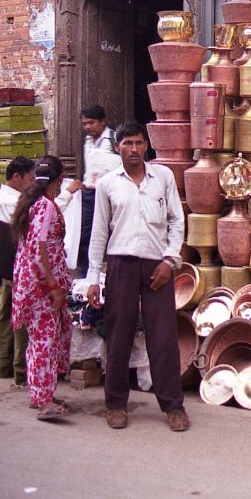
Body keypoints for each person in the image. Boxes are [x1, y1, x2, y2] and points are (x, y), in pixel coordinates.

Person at [85, 121, 188, 432]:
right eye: (127, 143)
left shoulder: (163, 177)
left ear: (147, 146)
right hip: (121, 266)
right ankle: (115, 404)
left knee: (163, 338)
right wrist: (93, 276)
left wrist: (169, 260)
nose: (133, 149)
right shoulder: (108, 184)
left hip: (158, 266)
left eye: (139, 143)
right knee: (119, 336)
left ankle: (173, 406)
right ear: (117, 147)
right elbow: (99, 232)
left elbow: (177, 221)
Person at [9, 157, 72, 421]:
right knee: (45, 341)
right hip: (41, 287)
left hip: (28, 282)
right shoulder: (45, 206)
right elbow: (38, 249)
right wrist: (52, 286)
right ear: (58, 182)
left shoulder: (31, 203)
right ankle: (44, 401)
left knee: (38, 341)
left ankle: (40, 393)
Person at [0, 156, 34, 382]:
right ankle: (19, 370)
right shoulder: (11, 200)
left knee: (8, 314)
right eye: (30, 178)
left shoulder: (3, 196)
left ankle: (5, 365)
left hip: (8, 262)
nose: (32, 182)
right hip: (16, 263)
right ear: (17, 177)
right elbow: (29, 223)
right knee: (18, 316)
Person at [74, 104, 116, 276]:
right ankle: (85, 273)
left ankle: (113, 272)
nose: (88, 127)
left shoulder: (114, 139)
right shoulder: (87, 141)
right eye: (85, 124)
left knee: (113, 231)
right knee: (86, 233)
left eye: (91, 123)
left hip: (110, 192)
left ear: (103, 122)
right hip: (90, 192)